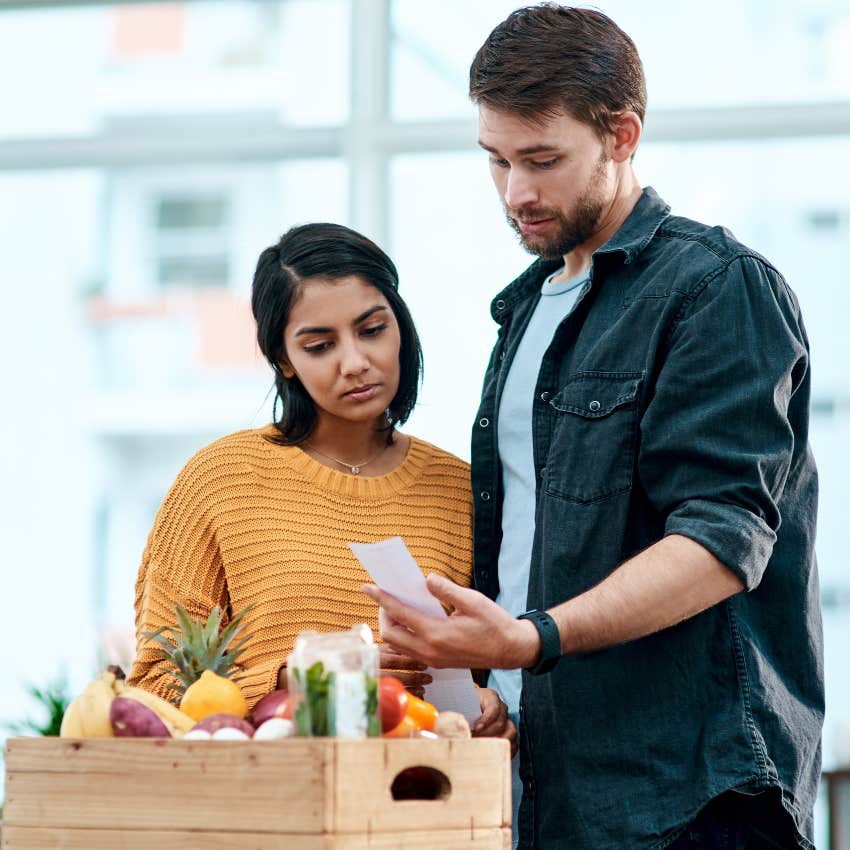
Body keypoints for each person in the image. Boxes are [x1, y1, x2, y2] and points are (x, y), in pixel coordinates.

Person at [363, 5, 822, 849]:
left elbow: (722, 543)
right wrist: (492, 675)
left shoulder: (718, 289)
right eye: (496, 160)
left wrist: (533, 638)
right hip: (549, 783)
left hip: (690, 794)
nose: (516, 193)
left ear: (622, 134)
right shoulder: (528, 309)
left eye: (542, 160)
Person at [128, 222, 514, 743]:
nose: (355, 363)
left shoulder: (463, 491)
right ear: (283, 358)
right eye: (319, 345)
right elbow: (154, 687)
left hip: (423, 805)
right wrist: (300, 681)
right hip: (273, 805)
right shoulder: (219, 481)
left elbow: (498, 662)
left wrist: (492, 710)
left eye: (372, 330)